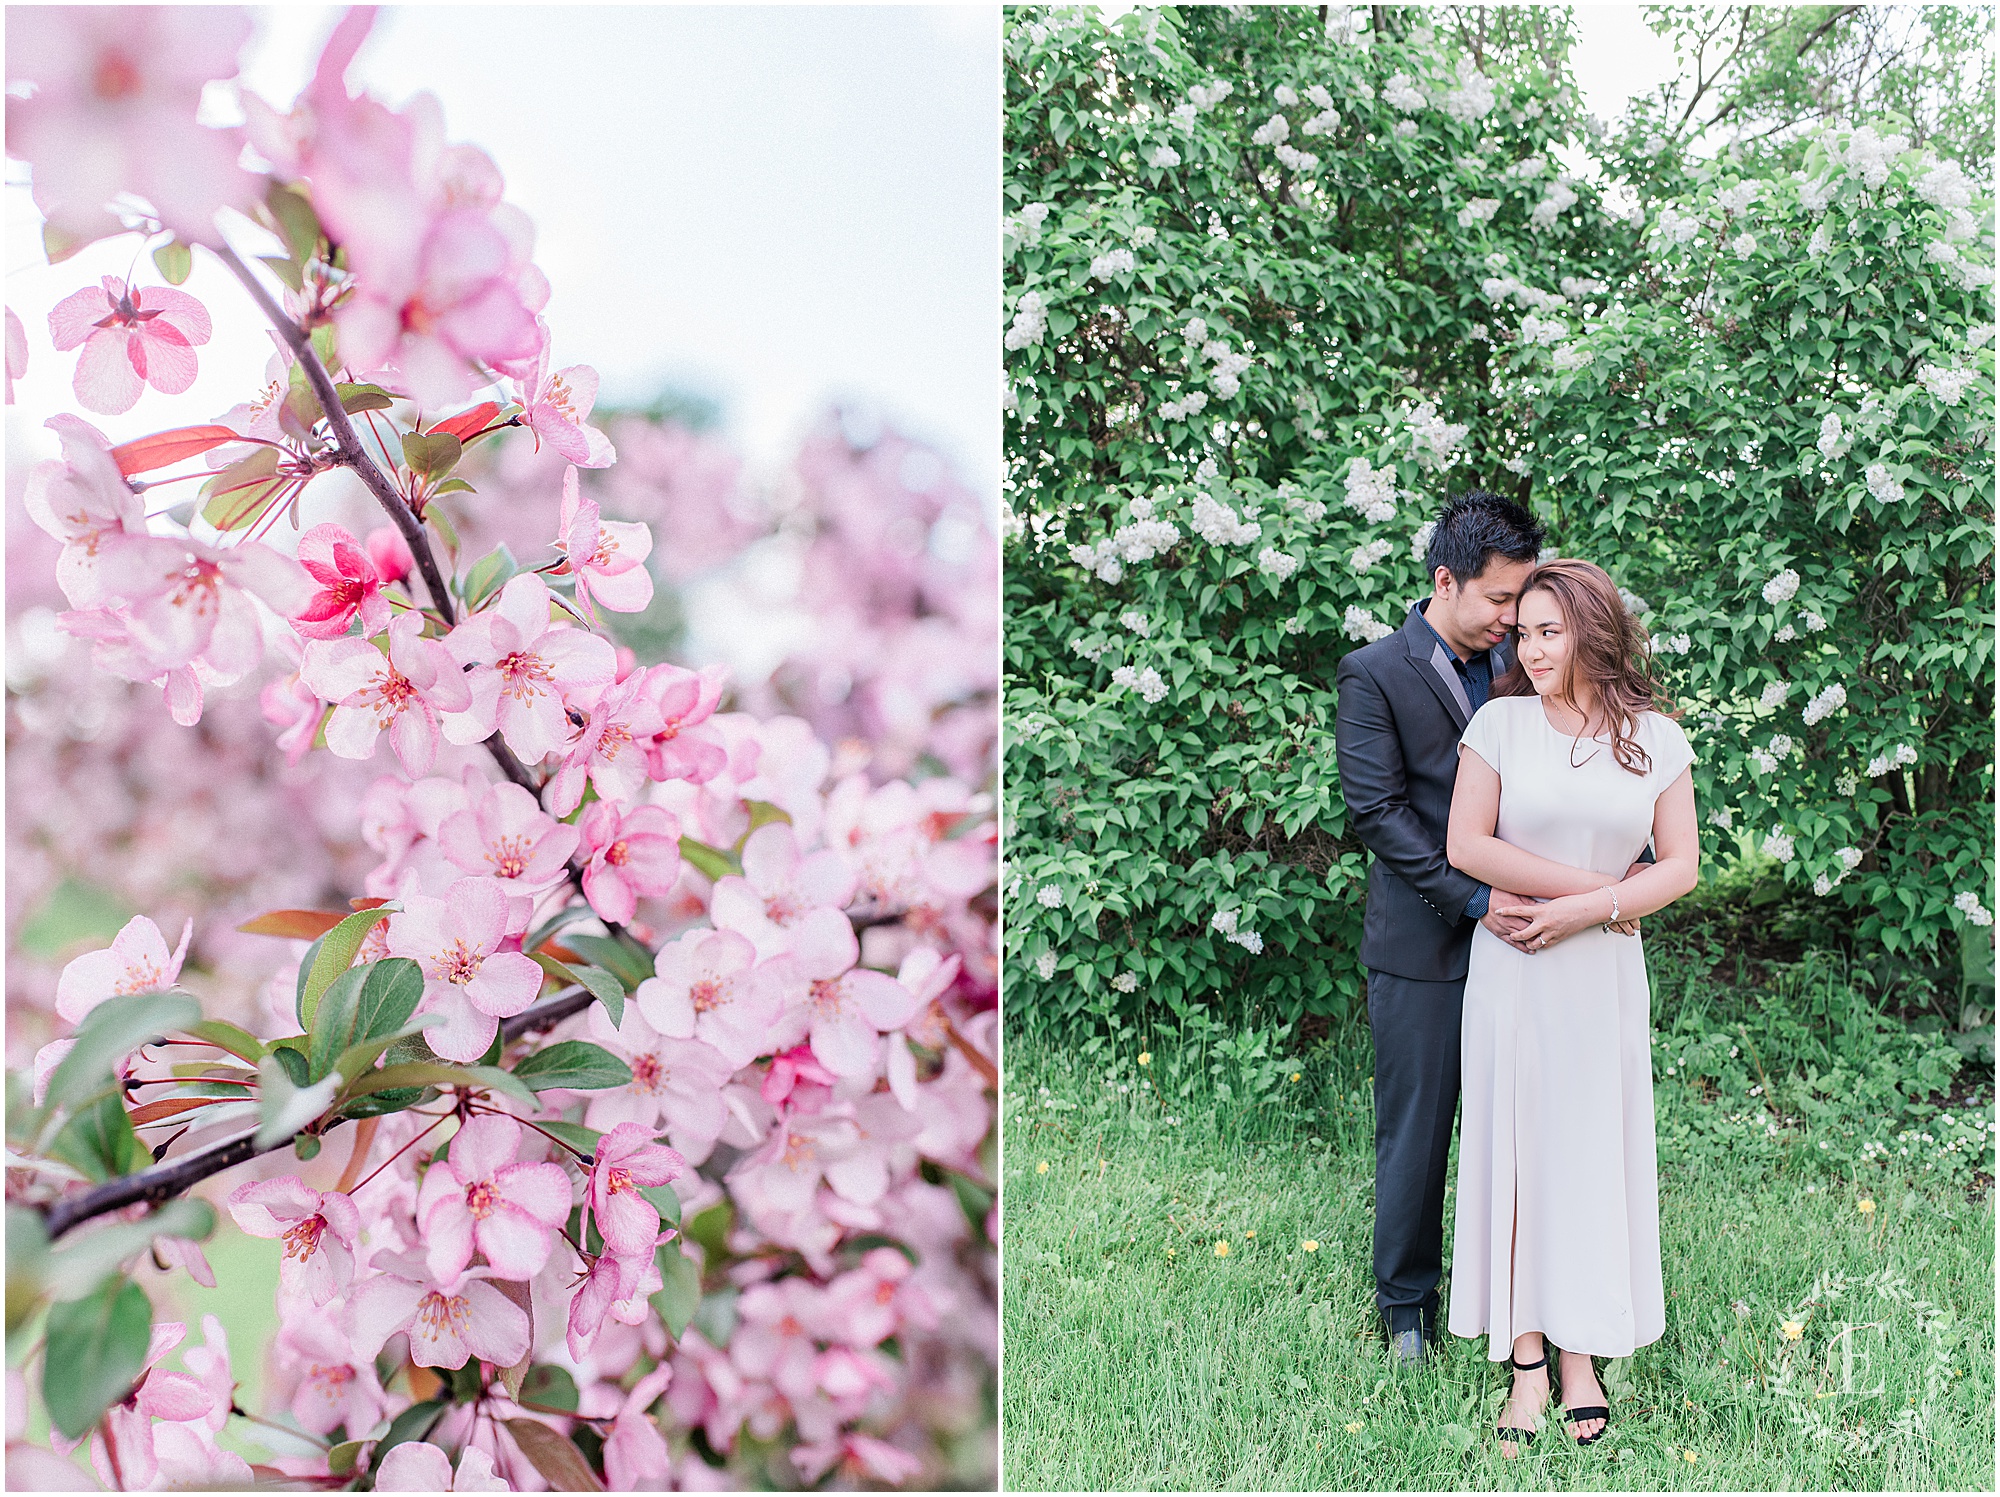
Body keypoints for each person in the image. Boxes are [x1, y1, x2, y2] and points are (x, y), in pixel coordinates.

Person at [1444, 558, 1699, 1455]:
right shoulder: (1500, 723)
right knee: (1517, 1150)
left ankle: (1582, 1352)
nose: (1532, 646)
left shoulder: (1657, 739)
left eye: (1550, 630)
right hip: (1514, 968)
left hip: (1601, 973)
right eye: (1525, 631)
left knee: (1588, 1156)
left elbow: (1680, 865)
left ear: (1594, 632)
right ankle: (1523, 1361)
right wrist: (1594, 887)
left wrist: (1592, 910)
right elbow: (1467, 844)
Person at [1333, 491, 1550, 1366]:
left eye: (1522, 599)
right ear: (1444, 581)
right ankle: (1406, 1308)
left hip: (1529, 939)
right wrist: (1472, 900)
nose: (1513, 618)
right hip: (1424, 943)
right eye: (1499, 600)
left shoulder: (1523, 666)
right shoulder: (1374, 672)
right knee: (1417, 1132)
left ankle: (1518, 1294)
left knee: (1524, 1124)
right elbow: (1378, 813)